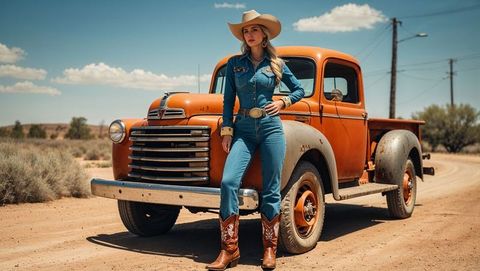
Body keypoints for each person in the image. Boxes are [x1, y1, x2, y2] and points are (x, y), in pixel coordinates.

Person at [207, 10, 305, 270]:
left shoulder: (277, 64)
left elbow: (299, 90)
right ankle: (230, 250)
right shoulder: (234, 63)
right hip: (244, 130)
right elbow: (228, 101)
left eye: (254, 30)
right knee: (228, 182)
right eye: (245, 32)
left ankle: (269, 250)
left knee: (272, 188)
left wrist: (283, 101)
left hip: (271, 128)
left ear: (264, 35)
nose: (249, 35)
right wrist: (227, 131)